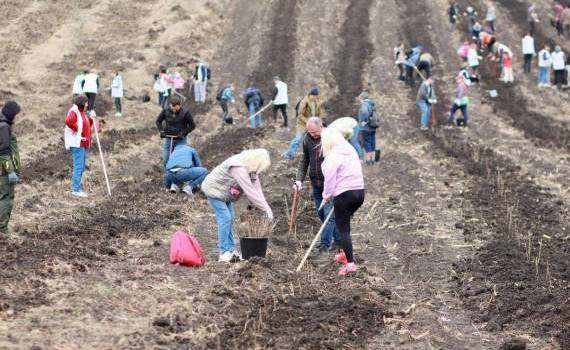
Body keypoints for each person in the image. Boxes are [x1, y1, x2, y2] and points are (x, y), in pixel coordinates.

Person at [201, 149, 273, 262]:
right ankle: (224, 252)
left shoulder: (250, 169)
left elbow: (257, 189)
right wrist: (265, 208)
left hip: (224, 193)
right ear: (256, 161)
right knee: (225, 218)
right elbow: (250, 191)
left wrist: (267, 208)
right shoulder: (238, 166)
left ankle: (231, 250)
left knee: (231, 218)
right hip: (213, 190)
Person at [320, 128, 365, 276]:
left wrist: (326, 196)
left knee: (343, 229)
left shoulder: (332, 156)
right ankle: (344, 252)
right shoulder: (350, 150)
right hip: (359, 193)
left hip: (344, 195)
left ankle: (350, 264)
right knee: (344, 224)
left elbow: (329, 179)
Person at [294, 117, 340, 253]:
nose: (312, 135)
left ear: (321, 126)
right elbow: (304, 160)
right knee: (321, 214)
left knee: (328, 216)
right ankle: (339, 241)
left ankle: (324, 246)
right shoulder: (307, 139)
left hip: (330, 184)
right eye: (310, 132)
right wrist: (299, 180)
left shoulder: (331, 137)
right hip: (316, 184)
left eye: (315, 133)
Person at [64, 95, 95, 198]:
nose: (87, 105)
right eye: (86, 103)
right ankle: (75, 189)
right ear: (82, 103)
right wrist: (77, 129)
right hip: (77, 144)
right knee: (79, 167)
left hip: (82, 143)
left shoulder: (81, 112)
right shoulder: (74, 110)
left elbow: (86, 125)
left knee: (81, 167)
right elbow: (69, 121)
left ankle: (77, 187)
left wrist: (91, 118)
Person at [155, 96, 196, 168]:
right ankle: (168, 174)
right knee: (166, 160)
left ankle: (180, 174)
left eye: (175, 108)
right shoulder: (166, 110)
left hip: (180, 139)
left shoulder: (185, 113)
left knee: (179, 159)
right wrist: (161, 131)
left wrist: (183, 133)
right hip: (168, 138)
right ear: (170, 105)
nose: (173, 110)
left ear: (179, 105)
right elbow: (158, 121)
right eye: (172, 108)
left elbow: (192, 126)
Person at [0, 101, 21, 234]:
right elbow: (3, 152)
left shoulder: (3, 125)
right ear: (11, 114)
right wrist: (10, 171)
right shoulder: (4, 127)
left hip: (3, 170)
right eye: (16, 114)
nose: (17, 117)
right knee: (6, 198)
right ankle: (2, 229)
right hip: (4, 171)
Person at [283, 87, 321, 160]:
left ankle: (314, 156)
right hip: (302, 124)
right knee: (298, 139)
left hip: (313, 124)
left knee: (316, 139)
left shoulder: (318, 102)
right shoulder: (304, 102)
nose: (314, 98)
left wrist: (318, 122)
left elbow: (318, 114)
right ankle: (288, 155)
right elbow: (300, 115)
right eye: (313, 96)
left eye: (316, 96)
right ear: (310, 95)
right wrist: (309, 122)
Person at [357, 92, 377, 165]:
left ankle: (368, 161)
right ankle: (373, 159)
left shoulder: (364, 104)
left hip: (366, 128)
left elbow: (365, 112)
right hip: (373, 127)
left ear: (362, 98)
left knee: (367, 143)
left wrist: (364, 121)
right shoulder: (372, 104)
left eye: (360, 98)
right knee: (372, 142)